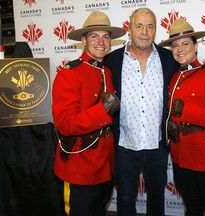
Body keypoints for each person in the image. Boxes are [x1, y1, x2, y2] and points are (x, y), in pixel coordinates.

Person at [104, 8, 178, 216]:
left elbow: (188, 71)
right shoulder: (113, 60)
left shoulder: (168, 59)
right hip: (125, 144)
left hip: (157, 144)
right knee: (125, 199)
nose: (145, 31)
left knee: (157, 197)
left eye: (150, 26)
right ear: (130, 30)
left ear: (155, 30)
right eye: (139, 26)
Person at [158, 18, 205, 216]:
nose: (180, 49)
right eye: (175, 45)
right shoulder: (174, 77)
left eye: (185, 43)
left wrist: (185, 110)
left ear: (196, 46)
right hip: (182, 158)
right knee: (192, 209)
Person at [52, 10, 126, 216]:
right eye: (94, 36)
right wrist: (103, 111)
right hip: (79, 165)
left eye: (105, 36)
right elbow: (65, 124)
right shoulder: (69, 74)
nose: (101, 42)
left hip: (105, 163)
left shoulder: (107, 72)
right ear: (83, 40)